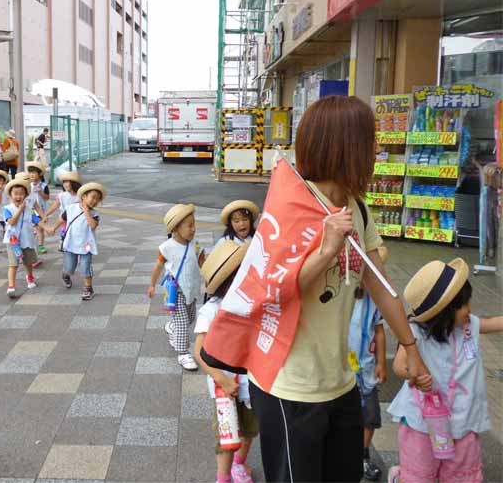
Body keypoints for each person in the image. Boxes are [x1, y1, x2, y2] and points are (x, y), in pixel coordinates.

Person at [243, 95, 430, 483]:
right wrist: (326, 249)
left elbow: (381, 286)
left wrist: (411, 347)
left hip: (340, 381)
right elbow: (272, 293)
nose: (377, 149)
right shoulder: (292, 207)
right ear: (346, 145)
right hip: (289, 385)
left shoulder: (357, 208)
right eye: (371, 140)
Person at [387, 259, 502, 483]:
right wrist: (413, 374)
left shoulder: (469, 326)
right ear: (443, 312)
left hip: (463, 420)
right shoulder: (415, 333)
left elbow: (494, 323)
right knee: (419, 476)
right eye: (464, 305)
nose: (470, 310)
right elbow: (399, 365)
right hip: (423, 422)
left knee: (461, 477)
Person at [195, 240, 257, 483]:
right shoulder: (211, 310)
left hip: (251, 382)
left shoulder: (253, 303)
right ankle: (223, 478)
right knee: (226, 435)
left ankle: (238, 465)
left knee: (251, 429)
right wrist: (221, 379)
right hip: (224, 386)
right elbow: (199, 352)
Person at [348, 247, 389, 482]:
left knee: (370, 416)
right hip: (341, 372)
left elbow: (379, 331)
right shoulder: (340, 298)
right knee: (344, 416)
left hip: (367, 369)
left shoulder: (375, 300)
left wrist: (381, 362)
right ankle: (342, 454)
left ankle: (362, 456)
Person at [148, 203, 205, 371]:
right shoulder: (167, 247)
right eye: (189, 226)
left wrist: (212, 280)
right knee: (182, 323)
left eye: (194, 224)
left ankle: (172, 327)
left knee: (190, 318)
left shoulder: (195, 245)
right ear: (176, 229)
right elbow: (158, 266)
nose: (194, 229)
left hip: (191, 290)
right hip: (175, 291)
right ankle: (183, 353)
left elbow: (204, 264)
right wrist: (152, 285)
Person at [45, 182, 106, 301]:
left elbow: (93, 226)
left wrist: (86, 211)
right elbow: (61, 219)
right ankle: (66, 274)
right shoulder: (71, 208)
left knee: (85, 266)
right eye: (93, 197)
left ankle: (88, 288)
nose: (95, 201)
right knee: (69, 267)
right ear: (84, 196)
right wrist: (53, 228)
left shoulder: (94, 214)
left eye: (98, 199)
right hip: (71, 242)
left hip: (87, 244)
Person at [3, 177, 45, 298]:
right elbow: (11, 222)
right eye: (15, 194)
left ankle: (30, 277)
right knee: (13, 264)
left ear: (26, 195)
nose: (18, 196)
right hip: (12, 241)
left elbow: (35, 219)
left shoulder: (28, 208)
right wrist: (20, 210)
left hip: (27, 239)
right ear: (10, 195)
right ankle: (11, 286)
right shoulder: (7, 209)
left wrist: (47, 228)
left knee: (28, 262)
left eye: (21, 194)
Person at [42, 170, 82, 251]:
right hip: (64, 221)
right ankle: (67, 248)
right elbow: (54, 206)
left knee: (77, 238)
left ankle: (77, 251)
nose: (65, 184)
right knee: (65, 237)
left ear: (74, 183)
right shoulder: (62, 195)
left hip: (77, 221)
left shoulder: (80, 196)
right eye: (64, 182)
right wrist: (45, 215)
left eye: (67, 182)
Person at [27, 161, 50, 254]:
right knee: (32, 228)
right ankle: (31, 245)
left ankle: (40, 245)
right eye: (30, 172)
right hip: (31, 210)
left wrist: (41, 192)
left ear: (40, 174)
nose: (31, 174)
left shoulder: (44, 185)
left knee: (41, 228)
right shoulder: (28, 185)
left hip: (41, 210)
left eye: (33, 172)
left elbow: (47, 197)